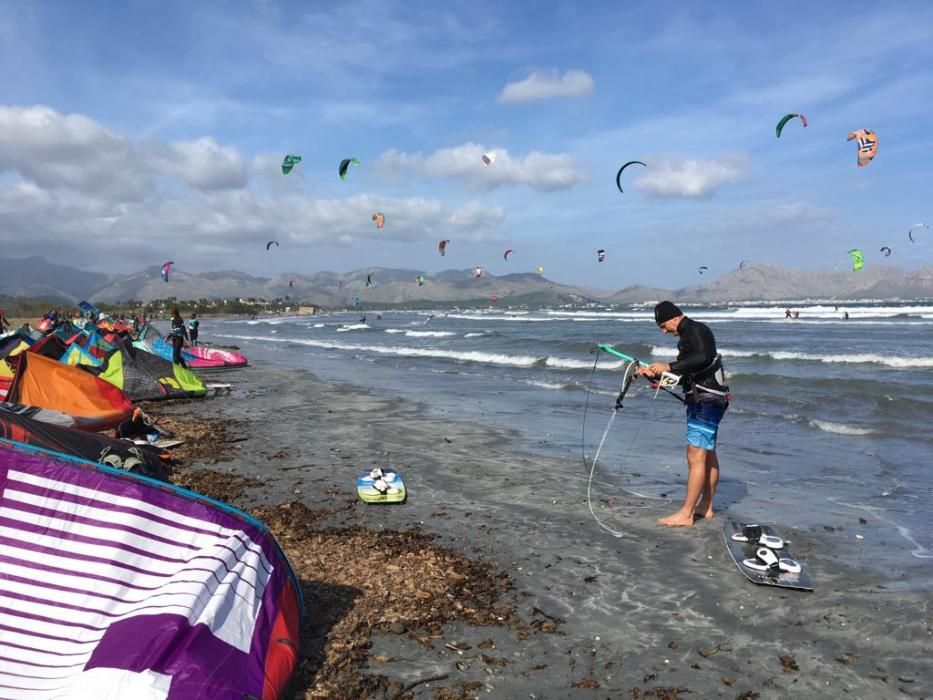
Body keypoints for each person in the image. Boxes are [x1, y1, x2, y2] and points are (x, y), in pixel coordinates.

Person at [636, 301, 730, 528]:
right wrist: (656, 377)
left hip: (706, 401)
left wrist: (667, 366)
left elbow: (703, 358)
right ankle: (705, 506)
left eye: (663, 324)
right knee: (707, 454)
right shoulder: (688, 336)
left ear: (674, 317)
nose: (663, 330)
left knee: (695, 456)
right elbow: (689, 371)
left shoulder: (696, 330)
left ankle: (687, 513)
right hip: (709, 399)